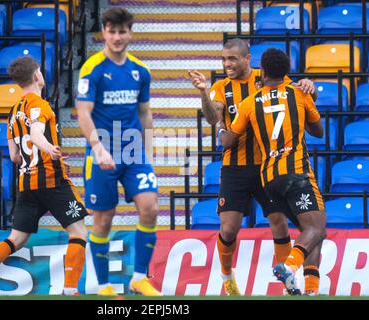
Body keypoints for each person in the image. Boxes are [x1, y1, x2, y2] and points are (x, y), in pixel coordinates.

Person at [189, 38, 317, 296]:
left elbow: (292, 92)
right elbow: (214, 117)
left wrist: (308, 85)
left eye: (232, 59)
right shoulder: (220, 88)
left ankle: (287, 282)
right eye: (224, 59)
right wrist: (203, 91)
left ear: (247, 59)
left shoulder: (266, 77)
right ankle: (227, 276)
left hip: (267, 164)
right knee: (228, 228)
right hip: (235, 167)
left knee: (278, 222)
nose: (227, 64)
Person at [0, 57, 88, 296]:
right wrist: (49, 149)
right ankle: (70, 289)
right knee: (78, 232)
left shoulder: (13, 112)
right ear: (37, 76)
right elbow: (36, 133)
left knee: (15, 239)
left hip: (25, 184)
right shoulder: (41, 105)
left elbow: (15, 155)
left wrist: (39, 152)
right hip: (51, 180)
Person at [222, 48, 327, 296]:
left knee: (308, 232)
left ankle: (311, 291)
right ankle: (289, 267)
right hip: (296, 172)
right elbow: (318, 131)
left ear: (263, 72)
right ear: (287, 73)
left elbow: (228, 141)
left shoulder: (249, 103)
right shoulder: (299, 94)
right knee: (317, 228)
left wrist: (219, 130)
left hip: (268, 177)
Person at [76, 8, 160, 296]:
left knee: (150, 208)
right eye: (111, 31)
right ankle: (103, 286)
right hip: (102, 155)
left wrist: (147, 152)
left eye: (122, 31)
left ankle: (138, 278)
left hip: (134, 152)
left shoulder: (141, 71)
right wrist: (98, 148)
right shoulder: (92, 69)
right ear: (104, 33)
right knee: (103, 221)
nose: (117, 37)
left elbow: (145, 112)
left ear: (130, 33)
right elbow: (83, 113)